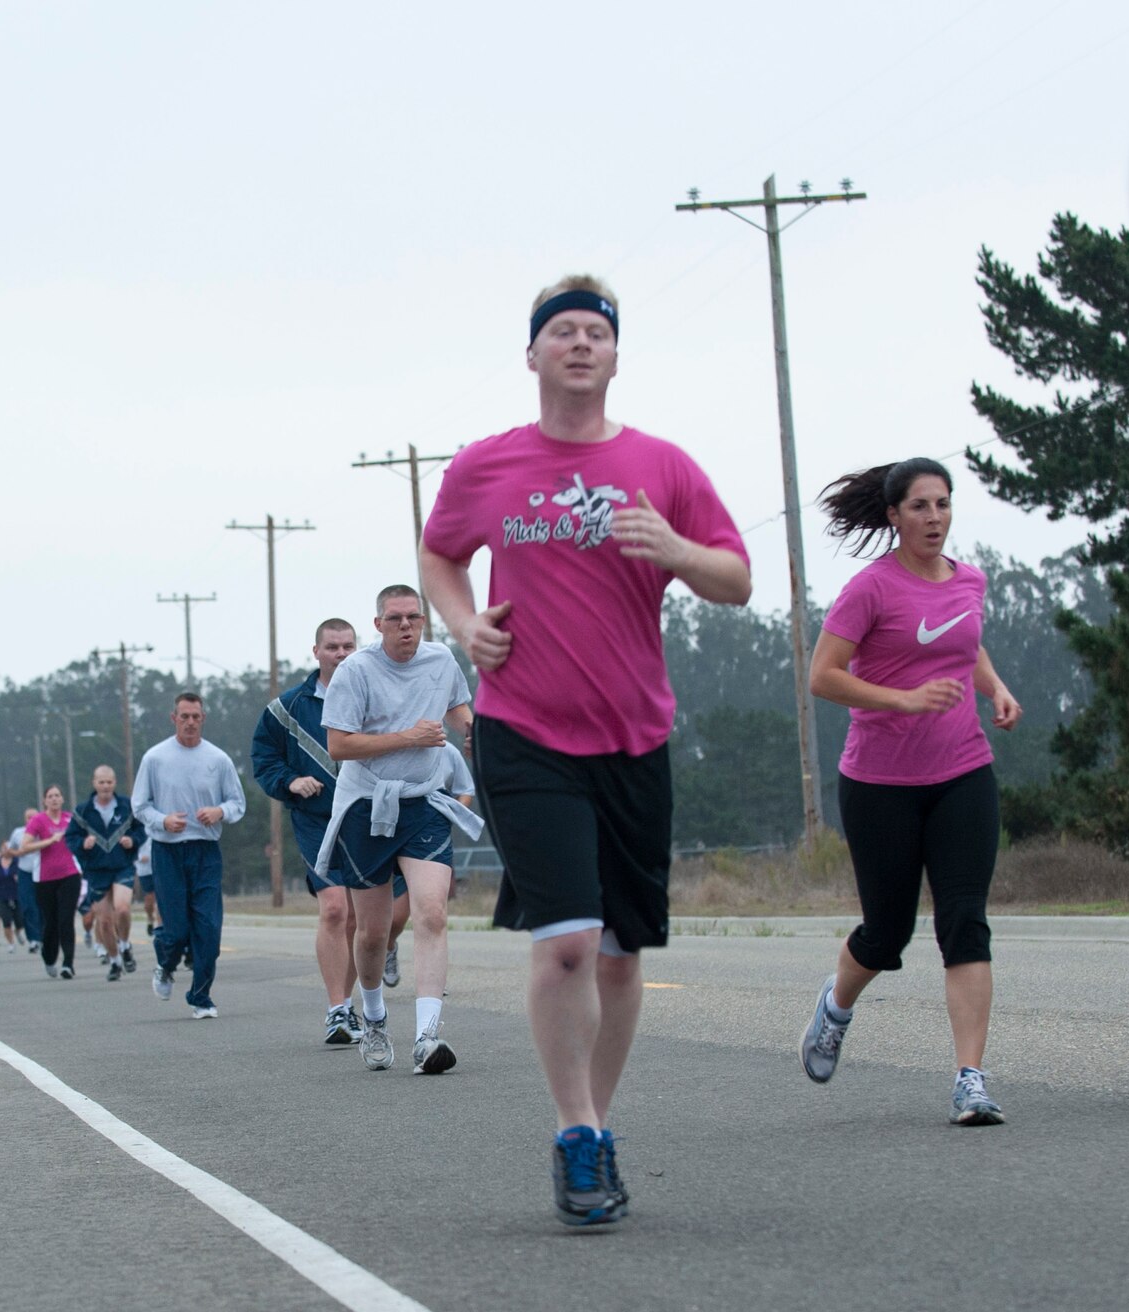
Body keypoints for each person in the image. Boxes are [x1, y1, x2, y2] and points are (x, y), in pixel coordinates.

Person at [421, 274, 751, 1226]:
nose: (577, 345)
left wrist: (675, 551)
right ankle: (574, 1130)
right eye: (559, 332)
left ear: (614, 355)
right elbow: (441, 551)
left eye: (593, 333)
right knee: (566, 942)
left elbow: (735, 576)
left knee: (618, 954)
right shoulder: (487, 466)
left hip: (634, 734)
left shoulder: (663, 465)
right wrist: (463, 622)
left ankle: (594, 1128)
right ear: (531, 355)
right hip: (524, 729)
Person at [798, 458, 1023, 1127]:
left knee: (964, 919)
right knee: (887, 930)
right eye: (920, 506)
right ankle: (836, 1006)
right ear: (894, 515)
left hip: (962, 771)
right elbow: (823, 675)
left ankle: (970, 1079)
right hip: (878, 783)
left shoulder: (970, 580)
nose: (934, 517)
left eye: (943, 504)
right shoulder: (870, 589)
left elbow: (965, 645)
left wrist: (996, 688)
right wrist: (904, 697)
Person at [317, 587, 481, 1073]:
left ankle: (428, 1036)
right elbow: (339, 746)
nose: (406, 626)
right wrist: (409, 736)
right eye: (395, 619)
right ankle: (372, 1018)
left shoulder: (440, 660)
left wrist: (471, 729)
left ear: (423, 621)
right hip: (367, 805)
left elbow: (455, 707)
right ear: (378, 623)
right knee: (372, 932)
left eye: (413, 617)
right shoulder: (356, 672)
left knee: (431, 914)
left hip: (424, 802)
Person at [253, 617, 391, 1046]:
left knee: (361, 918)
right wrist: (290, 782)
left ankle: (353, 1003)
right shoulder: (287, 708)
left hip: (368, 816)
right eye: (332, 647)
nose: (342, 653)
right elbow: (264, 758)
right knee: (334, 909)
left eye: (349, 646)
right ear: (316, 652)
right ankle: (336, 1011)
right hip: (317, 819)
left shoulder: (377, 697)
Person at [132, 691, 246, 1018]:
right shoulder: (155, 758)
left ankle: (201, 997)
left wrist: (219, 811)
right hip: (167, 852)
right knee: (177, 929)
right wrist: (163, 820)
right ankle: (165, 963)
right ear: (174, 719)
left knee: (209, 929)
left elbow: (237, 803)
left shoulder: (218, 759)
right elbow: (139, 806)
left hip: (205, 851)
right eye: (184, 717)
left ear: (203, 718)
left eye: (196, 717)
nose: (190, 723)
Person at [70, 766, 140, 981]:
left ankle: (125, 945)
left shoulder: (126, 806)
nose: (105, 786)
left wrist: (133, 841)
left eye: (109, 782)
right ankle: (114, 961)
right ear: (94, 784)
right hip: (97, 870)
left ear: (114, 783)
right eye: (101, 782)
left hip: (122, 866)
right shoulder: (83, 811)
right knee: (105, 921)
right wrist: (84, 844)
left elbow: (141, 828)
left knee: (122, 908)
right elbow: (70, 838)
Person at [16, 787, 83, 980]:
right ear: (45, 801)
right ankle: (49, 957)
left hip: (70, 874)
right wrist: (48, 841)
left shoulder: (70, 819)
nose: (54, 799)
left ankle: (68, 964)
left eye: (57, 796)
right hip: (44, 878)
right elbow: (25, 846)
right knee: (50, 922)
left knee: (66, 919)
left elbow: (82, 839)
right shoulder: (38, 821)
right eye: (50, 796)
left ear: (62, 799)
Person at [8, 809, 42, 954]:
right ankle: (33, 939)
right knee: (28, 906)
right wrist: (19, 853)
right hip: (25, 872)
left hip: (43, 871)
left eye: (33, 817)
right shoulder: (18, 833)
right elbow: (10, 851)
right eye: (28, 817)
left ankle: (45, 935)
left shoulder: (44, 831)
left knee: (43, 905)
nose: (31, 820)